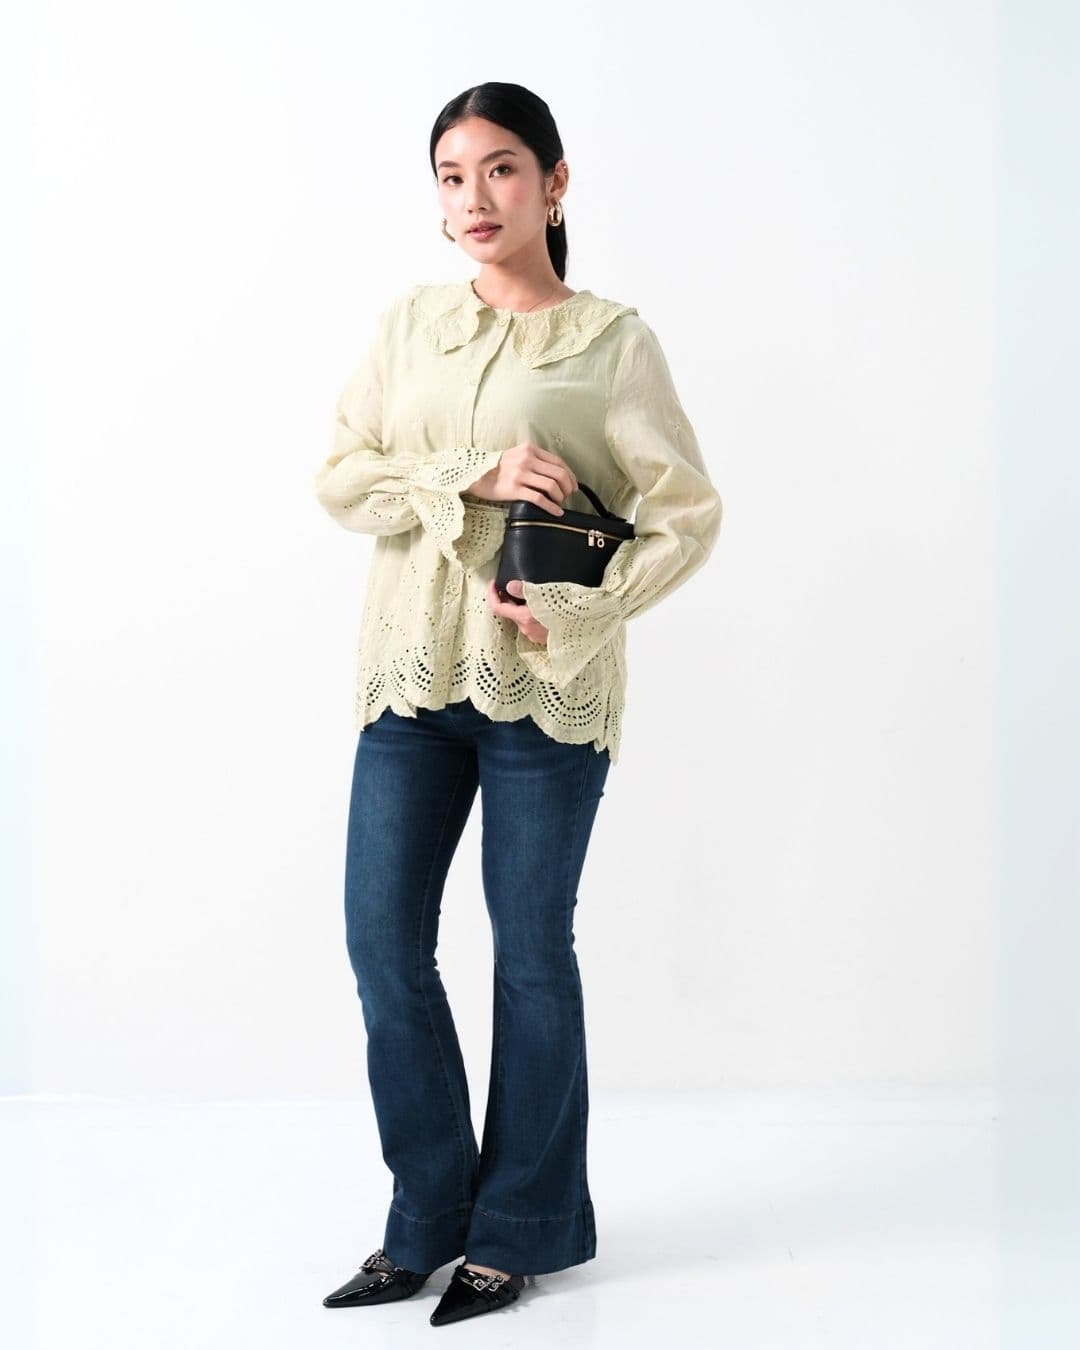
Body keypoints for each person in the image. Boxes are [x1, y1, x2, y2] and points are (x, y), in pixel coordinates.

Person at [313, 82, 723, 1328]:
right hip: (409, 680)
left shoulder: (612, 343)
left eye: (499, 168)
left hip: (546, 688)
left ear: (554, 182)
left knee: (532, 954)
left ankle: (524, 1228)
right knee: (384, 945)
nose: (474, 197)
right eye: (452, 176)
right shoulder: (410, 326)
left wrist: (586, 614)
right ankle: (426, 1217)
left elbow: (686, 512)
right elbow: (342, 477)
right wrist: (471, 473)